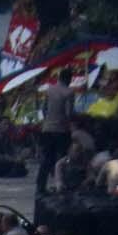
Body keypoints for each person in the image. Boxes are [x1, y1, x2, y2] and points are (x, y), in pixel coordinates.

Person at [34, 69, 75, 203]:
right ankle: (62, 185)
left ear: (59, 77)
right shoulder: (69, 92)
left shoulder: (49, 90)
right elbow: (69, 114)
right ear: (69, 79)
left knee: (47, 159)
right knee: (62, 159)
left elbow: (44, 109)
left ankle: (40, 186)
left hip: (47, 129)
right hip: (61, 130)